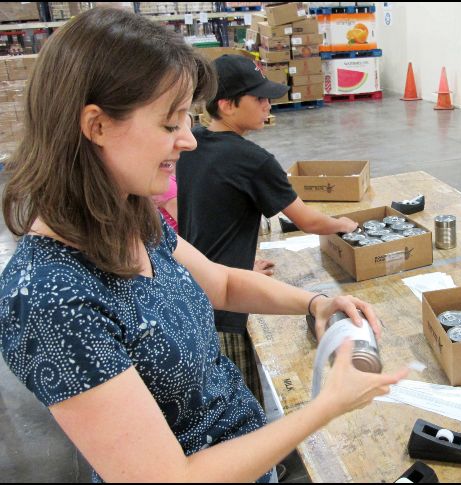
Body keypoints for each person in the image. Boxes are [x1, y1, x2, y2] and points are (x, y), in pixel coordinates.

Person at [0, 8, 406, 483]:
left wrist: (315, 303)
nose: (189, 141)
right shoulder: (50, 301)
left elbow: (224, 284)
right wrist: (326, 407)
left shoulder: (129, 215)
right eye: (170, 124)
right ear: (97, 125)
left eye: (188, 120)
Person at [176, 55, 359, 396]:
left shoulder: (191, 145)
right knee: (241, 405)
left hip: (194, 288)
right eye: (257, 98)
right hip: (224, 314)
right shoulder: (253, 160)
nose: (267, 105)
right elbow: (307, 220)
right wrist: (342, 223)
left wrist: (238, 266)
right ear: (227, 105)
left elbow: (202, 217)